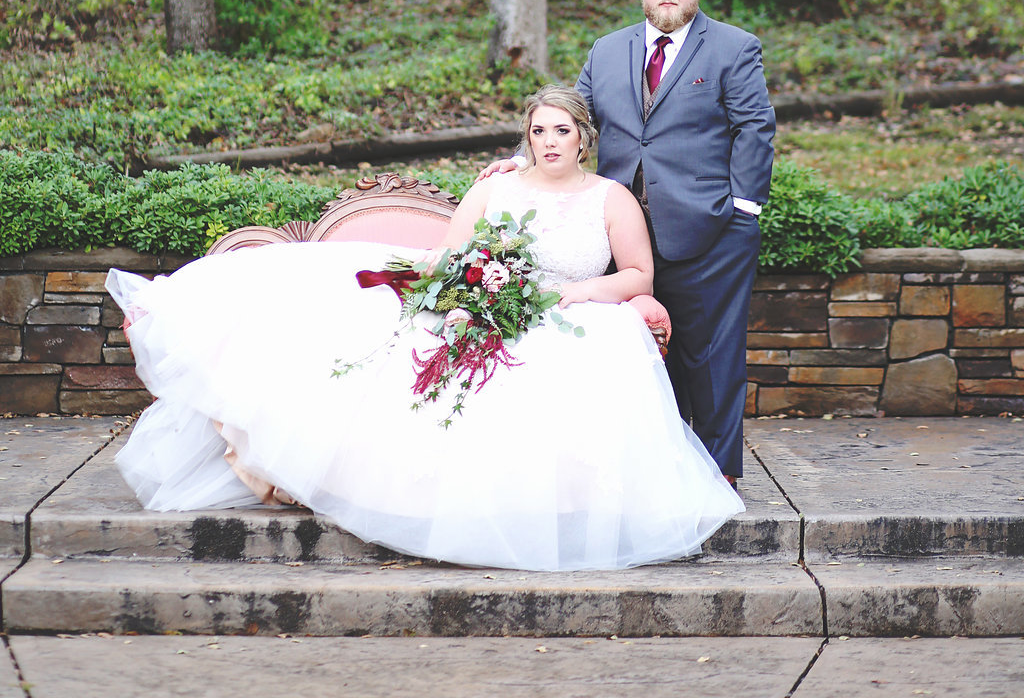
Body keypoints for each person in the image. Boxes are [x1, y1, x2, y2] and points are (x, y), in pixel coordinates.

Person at [106, 85, 742, 573]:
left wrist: (579, 292)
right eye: (538, 130)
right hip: (490, 301)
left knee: (584, 359)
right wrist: (469, 289)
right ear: (527, 138)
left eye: (562, 130)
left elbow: (638, 274)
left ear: (584, 137)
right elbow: (448, 256)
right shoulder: (496, 189)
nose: (550, 140)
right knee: (384, 342)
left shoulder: (610, 197)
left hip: (575, 314)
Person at [482, 0, 775, 484]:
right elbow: (572, 118)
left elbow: (755, 128)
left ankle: (717, 478)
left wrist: (743, 209)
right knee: (635, 354)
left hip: (709, 226)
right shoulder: (608, 50)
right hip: (620, 231)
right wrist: (524, 159)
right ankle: (652, 473)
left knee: (711, 355)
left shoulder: (733, 48)